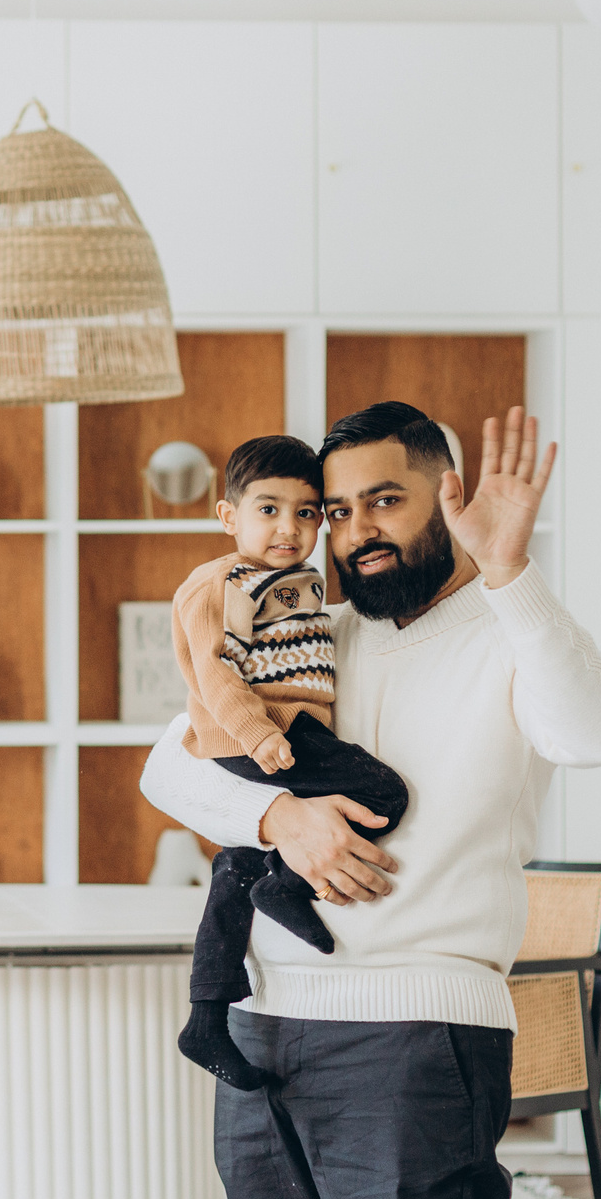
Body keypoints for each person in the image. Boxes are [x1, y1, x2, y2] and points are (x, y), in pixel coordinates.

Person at [140, 401, 601, 1199]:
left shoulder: (510, 633)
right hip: (261, 1026)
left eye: (385, 501)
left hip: (420, 1037)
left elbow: (599, 733)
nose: (356, 531)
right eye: (335, 511)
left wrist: (511, 571)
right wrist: (279, 820)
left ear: (448, 494)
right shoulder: (309, 630)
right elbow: (169, 763)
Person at [167, 434, 410, 1093]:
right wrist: (258, 737)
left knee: (234, 861)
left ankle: (207, 1012)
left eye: (307, 513)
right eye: (269, 509)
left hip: (289, 731)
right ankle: (287, 882)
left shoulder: (298, 583)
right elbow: (215, 673)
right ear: (228, 517)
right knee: (382, 793)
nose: (289, 527)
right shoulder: (220, 582)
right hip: (268, 736)